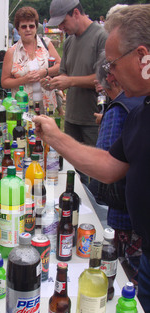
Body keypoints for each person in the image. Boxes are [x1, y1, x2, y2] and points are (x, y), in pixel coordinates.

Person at [33, 5, 150, 313]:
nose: (108, 74)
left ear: (143, 57)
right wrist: (56, 137)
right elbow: (110, 166)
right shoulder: (140, 111)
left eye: (112, 63)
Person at [88, 51, 143, 278]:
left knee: (121, 275)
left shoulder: (119, 108)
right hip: (140, 213)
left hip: (123, 214)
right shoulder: (142, 101)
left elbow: (103, 162)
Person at [45, 0, 107, 184]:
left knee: (96, 176)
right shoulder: (70, 40)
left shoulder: (101, 37)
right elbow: (65, 72)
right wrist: (54, 82)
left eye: (63, 22)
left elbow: (104, 79)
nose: (61, 28)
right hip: (72, 117)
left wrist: (70, 81)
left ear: (76, 13)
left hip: (92, 119)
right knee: (72, 174)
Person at [1, 6, 61, 113]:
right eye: (24, 27)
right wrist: (24, 80)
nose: (28, 29)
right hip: (22, 107)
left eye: (31, 26)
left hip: (47, 104)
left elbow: (60, 65)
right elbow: (4, 82)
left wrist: (45, 72)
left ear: (36, 28)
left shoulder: (46, 44)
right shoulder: (11, 52)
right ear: (18, 30)